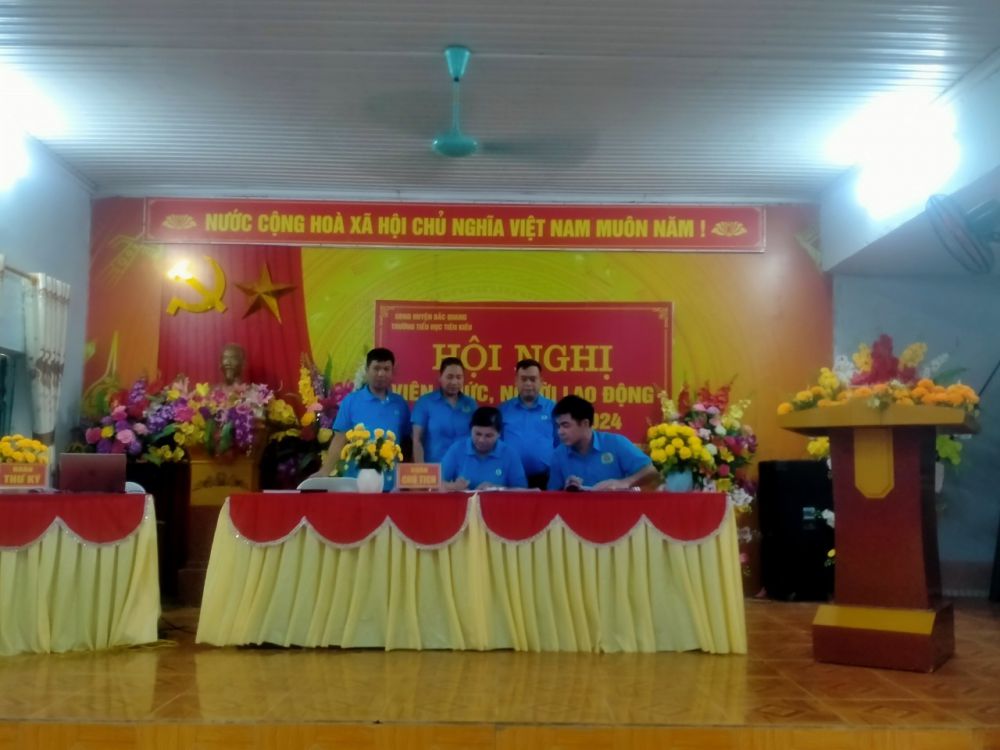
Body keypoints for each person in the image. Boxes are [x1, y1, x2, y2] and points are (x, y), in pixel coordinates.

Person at [315, 347, 411, 488]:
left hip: (391, 485)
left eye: (386, 369)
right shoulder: (351, 401)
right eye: (376, 368)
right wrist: (324, 471)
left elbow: (407, 444)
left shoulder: (400, 404)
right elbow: (339, 440)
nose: (381, 373)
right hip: (356, 482)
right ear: (367, 370)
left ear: (392, 372)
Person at [547, 394, 658, 491]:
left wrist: (624, 483)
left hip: (617, 506)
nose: (560, 432)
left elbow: (652, 471)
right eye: (558, 426)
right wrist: (567, 490)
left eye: (565, 425)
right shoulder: (558, 455)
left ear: (585, 423)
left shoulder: (615, 443)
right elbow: (553, 497)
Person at [499, 358, 556, 489]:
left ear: (541, 381)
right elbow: (497, 444)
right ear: (516, 381)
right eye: (523, 379)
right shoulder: (503, 410)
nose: (528, 384)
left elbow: (561, 444)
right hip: (510, 478)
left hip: (545, 478)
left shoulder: (553, 409)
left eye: (533, 379)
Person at [441, 407, 527, 491]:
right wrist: (453, 486)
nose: (481, 440)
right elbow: (437, 484)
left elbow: (522, 491)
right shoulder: (457, 449)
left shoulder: (509, 454)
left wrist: (497, 488)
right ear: (470, 430)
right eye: (478, 434)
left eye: (488, 436)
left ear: (499, 434)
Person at [411, 357, 476, 463]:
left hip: (464, 468)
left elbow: (477, 438)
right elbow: (417, 440)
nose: (454, 382)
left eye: (459, 377)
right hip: (435, 468)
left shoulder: (471, 404)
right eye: (449, 377)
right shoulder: (426, 402)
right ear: (440, 377)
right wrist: (421, 469)